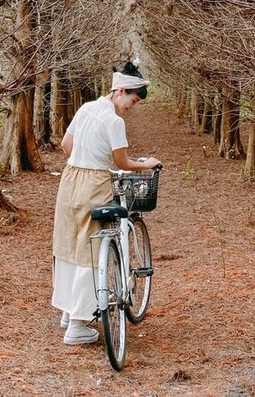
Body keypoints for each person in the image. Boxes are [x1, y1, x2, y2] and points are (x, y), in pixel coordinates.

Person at [52, 61, 161, 346]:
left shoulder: (86, 108)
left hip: (69, 180)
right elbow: (121, 161)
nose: (131, 107)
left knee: (69, 245)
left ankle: (67, 310)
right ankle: (77, 326)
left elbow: (66, 144)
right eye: (133, 101)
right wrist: (146, 163)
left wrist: (82, 163)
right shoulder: (114, 122)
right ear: (120, 90)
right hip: (95, 184)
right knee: (92, 249)